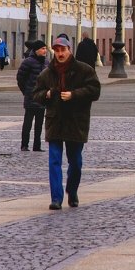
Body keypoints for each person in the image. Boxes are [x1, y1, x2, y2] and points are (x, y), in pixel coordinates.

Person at [34, 33, 102, 209]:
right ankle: (56, 198)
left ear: (69, 50)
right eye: (56, 50)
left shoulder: (84, 70)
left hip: (75, 122)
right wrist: (46, 95)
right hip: (55, 121)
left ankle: (72, 191)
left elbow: (94, 91)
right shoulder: (47, 73)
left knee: (76, 162)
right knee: (54, 161)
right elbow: (36, 94)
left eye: (63, 50)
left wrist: (74, 94)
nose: (60, 53)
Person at [16, 39, 48, 150]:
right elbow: (20, 78)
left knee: (39, 124)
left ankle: (37, 146)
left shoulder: (46, 62)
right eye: (43, 49)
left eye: (45, 49)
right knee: (28, 123)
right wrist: (26, 91)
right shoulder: (28, 62)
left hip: (42, 98)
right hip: (30, 97)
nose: (45, 51)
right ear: (36, 50)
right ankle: (24, 145)